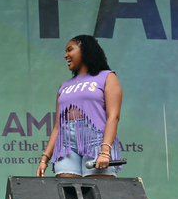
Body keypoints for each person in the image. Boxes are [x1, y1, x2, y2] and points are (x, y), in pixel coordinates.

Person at [37, 35, 122, 178]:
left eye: (70, 50)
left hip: (96, 140)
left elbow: (113, 116)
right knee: (67, 195)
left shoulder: (107, 77)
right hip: (66, 144)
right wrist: (44, 159)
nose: (65, 55)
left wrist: (105, 150)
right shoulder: (64, 86)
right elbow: (57, 126)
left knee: (99, 195)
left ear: (84, 49)